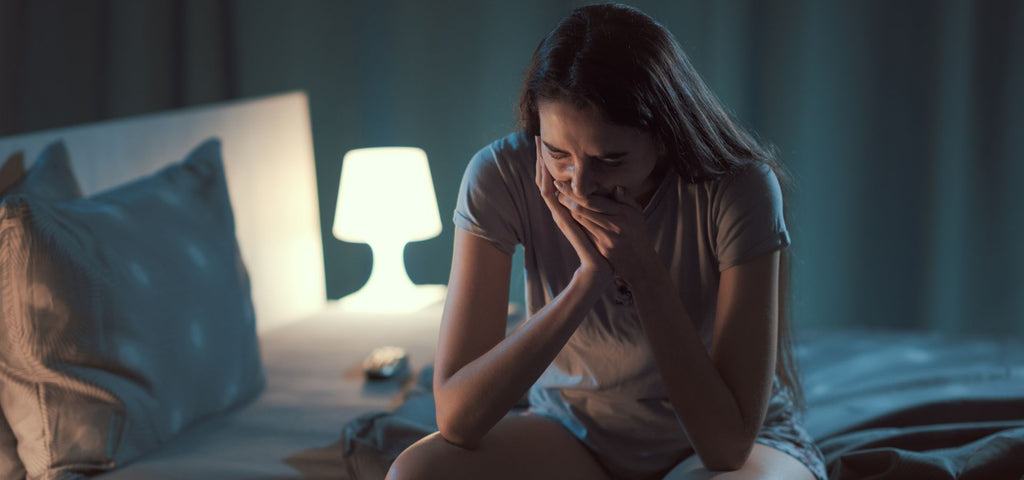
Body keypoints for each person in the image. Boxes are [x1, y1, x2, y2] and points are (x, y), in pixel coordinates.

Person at [387, 4, 827, 480]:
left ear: (665, 139)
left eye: (611, 159)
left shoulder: (738, 188)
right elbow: (457, 417)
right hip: (573, 433)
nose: (580, 185)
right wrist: (587, 280)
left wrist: (643, 270)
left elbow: (727, 449)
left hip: (728, 445)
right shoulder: (501, 175)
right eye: (558, 153)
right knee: (416, 471)